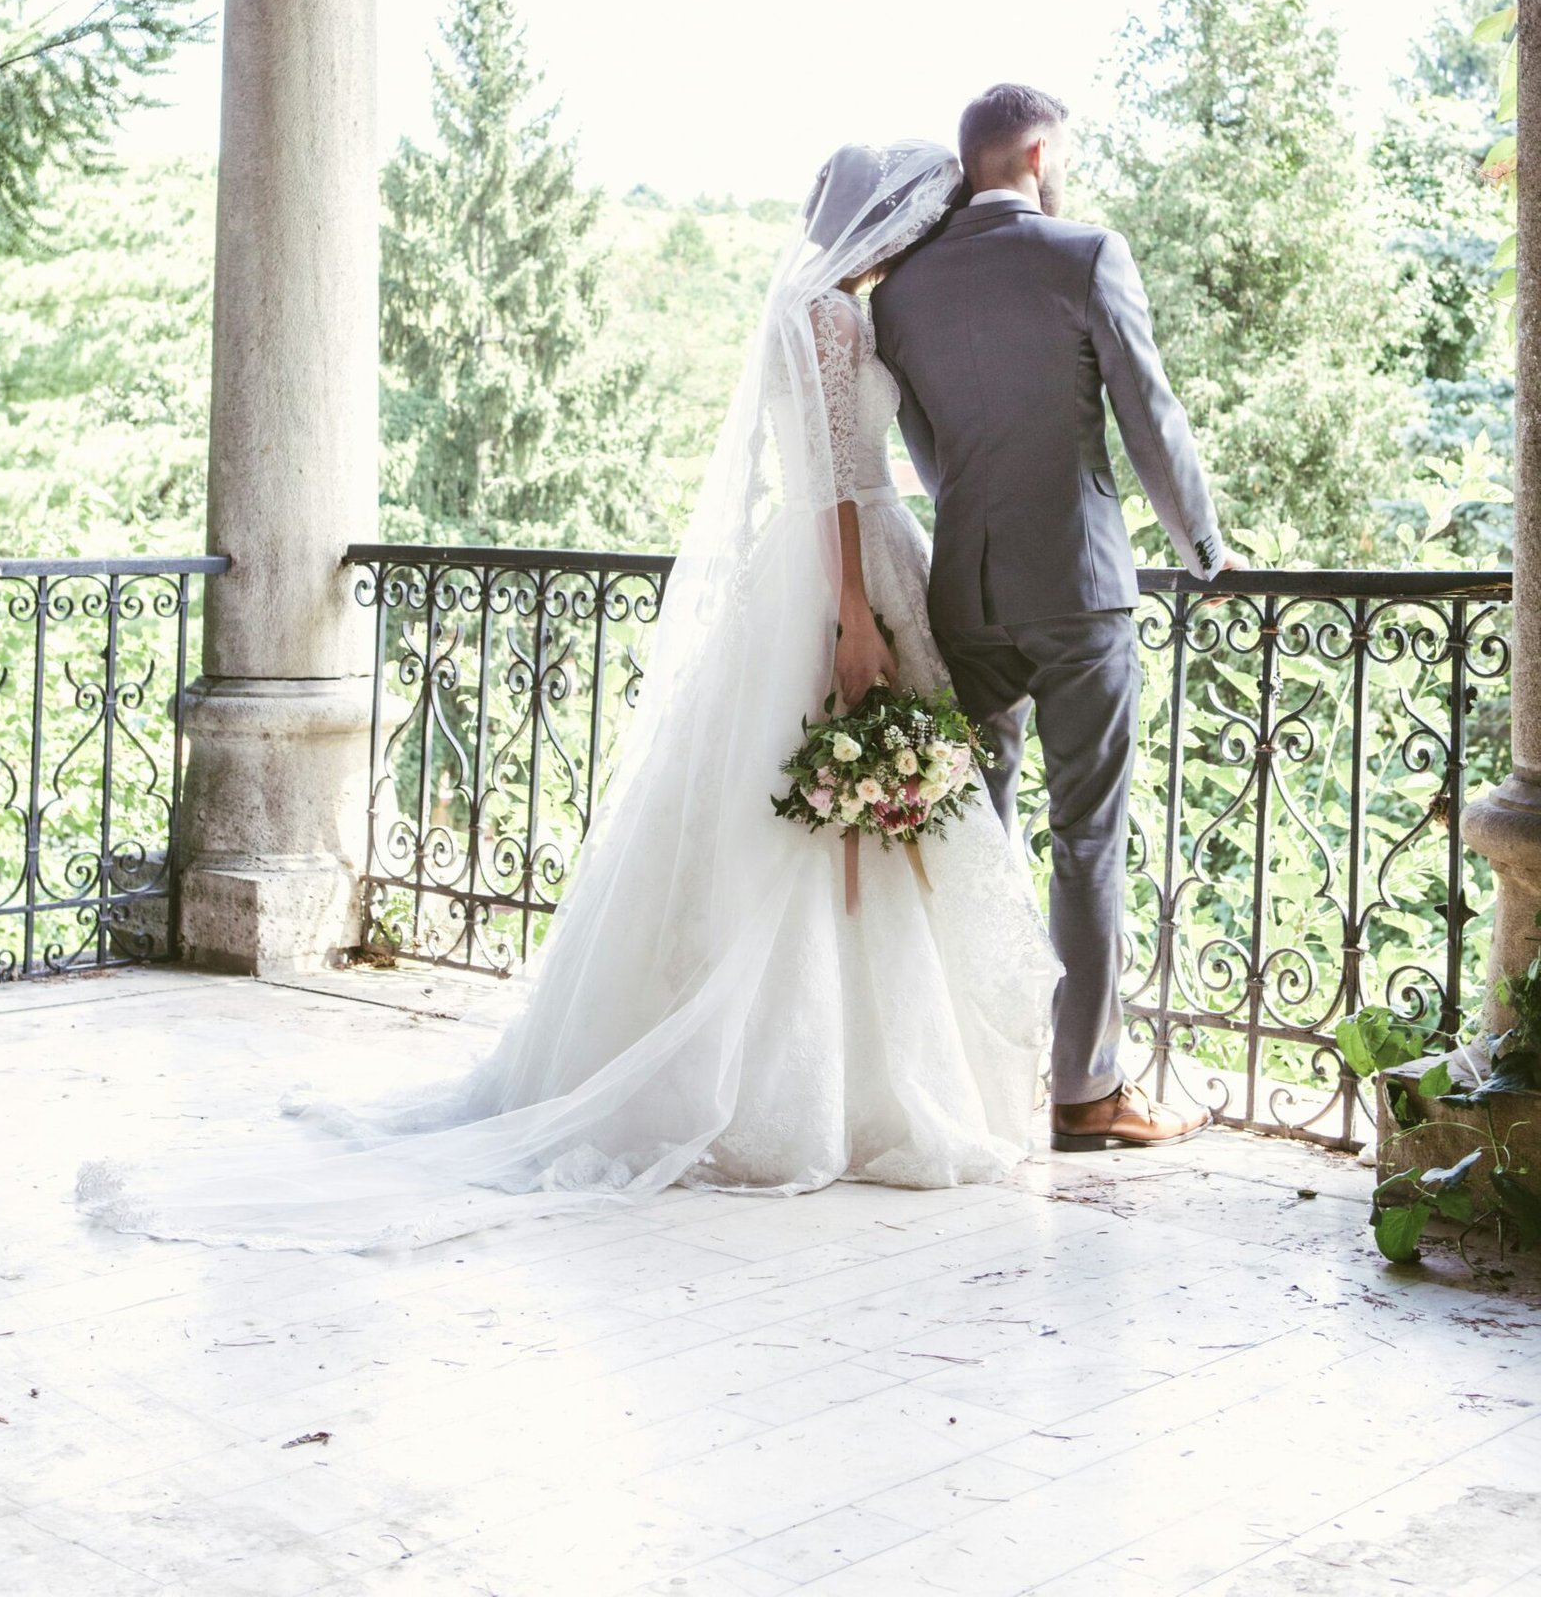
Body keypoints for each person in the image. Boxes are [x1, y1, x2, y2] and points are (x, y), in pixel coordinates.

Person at [78, 140, 1060, 1251]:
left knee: (789, 815)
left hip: (816, 564)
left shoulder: (804, 305)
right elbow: (836, 476)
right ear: (886, 226)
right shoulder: (833, 318)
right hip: (841, 564)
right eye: (918, 228)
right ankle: (829, 1089)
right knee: (821, 811)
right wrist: (850, 613)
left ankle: (843, 1075)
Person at [873, 83, 1236, 1152]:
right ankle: (1084, 1091)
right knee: (1085, 841)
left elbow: (931, 452)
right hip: (1079, 596)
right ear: (1035, 153)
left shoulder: (901, 292)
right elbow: (1149, 417)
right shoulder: (1084, 254)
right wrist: (1203, 551)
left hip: (965, 599)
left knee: (974, 838)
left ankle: (975, 1073)